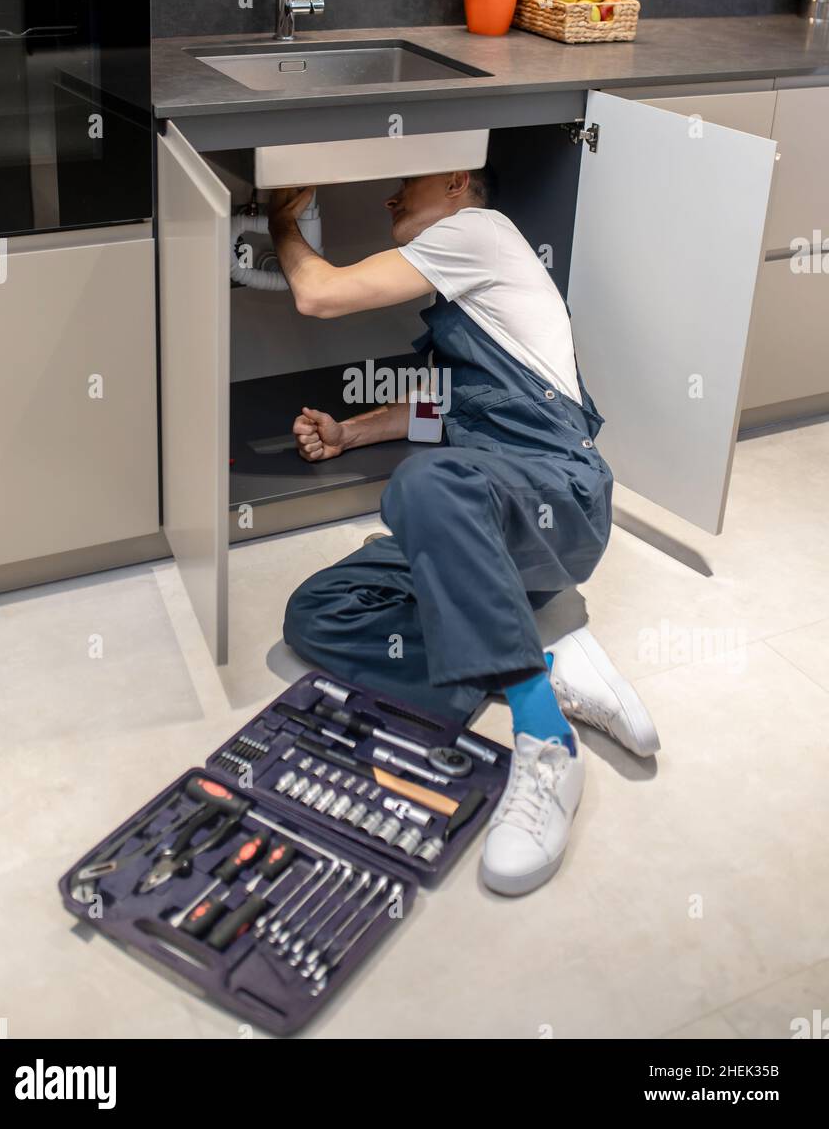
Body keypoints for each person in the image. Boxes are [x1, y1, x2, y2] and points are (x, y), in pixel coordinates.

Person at [268, 169, 659, 896]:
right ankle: (541, 661)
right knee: (316, 613)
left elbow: (317, 292)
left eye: (404, 188)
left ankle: (545, 742)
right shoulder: (475, 309)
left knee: (425, 482)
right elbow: (447, 411)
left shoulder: (479, 232)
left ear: (456, 184)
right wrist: (348, 431)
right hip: (489, 527)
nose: (390, 201)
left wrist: (279, 221)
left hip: (557, 502)